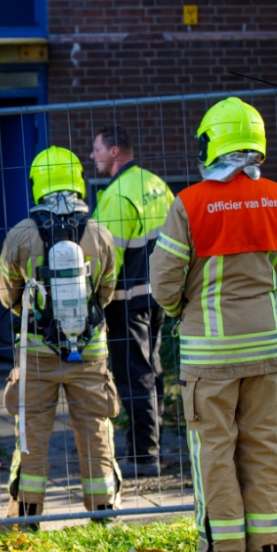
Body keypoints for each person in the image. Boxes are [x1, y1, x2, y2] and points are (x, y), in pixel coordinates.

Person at [149, 97, 277, 552]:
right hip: (268, 348)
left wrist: (187, 306)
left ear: (211, 142)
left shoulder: (189, 205)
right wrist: (267, 299)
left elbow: (163, 285)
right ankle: (267, 546)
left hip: (210, 355)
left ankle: (223, 550)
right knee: (264, 443)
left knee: (215, 448)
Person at [0, 146, 122, 529]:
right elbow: (106, 292)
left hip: (37, 353)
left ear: (38, 185)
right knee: (95, 429)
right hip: (89, 352)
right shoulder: (100, 234)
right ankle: (103, 511)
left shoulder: (20, 235)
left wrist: (34, 315)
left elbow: (7, 294)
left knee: (31, 432)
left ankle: (28, 514)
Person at [90, 126, 173, 478]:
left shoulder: (116, 196)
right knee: (152, 371)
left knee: (135, 376)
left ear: (113, 152)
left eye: (96, 149)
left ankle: (143, 456)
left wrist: (94, 299)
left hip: (127, 301)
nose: (92, 156)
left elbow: (106, 258)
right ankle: (151, 446)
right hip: (159, 296)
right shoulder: (157, 185)